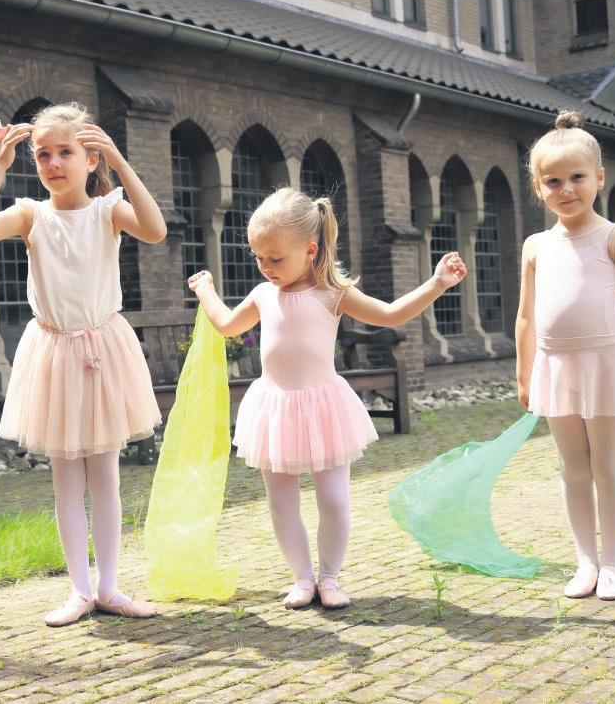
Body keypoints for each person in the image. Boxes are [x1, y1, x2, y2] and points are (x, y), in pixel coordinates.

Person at [188, 187, 467, 609]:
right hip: (275, 409)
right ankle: (302, 579)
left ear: (310, 250)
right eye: (258, 257)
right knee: (282, 503)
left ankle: (330, 577)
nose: (266, 267)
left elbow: (390, 314)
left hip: (323, 409)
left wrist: (437, 283)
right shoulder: (263, 295)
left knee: (333, 500)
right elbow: (227, 325)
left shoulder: (333, 294)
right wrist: (206, 289)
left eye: (275, 258)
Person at [0, 103, 166, 625]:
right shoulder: (31, 214)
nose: (53, 163)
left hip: (103, 351)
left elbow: (155, 230)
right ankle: (79, 590)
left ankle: (110, 587)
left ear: (89, 159)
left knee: (106, 477)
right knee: (66, 482)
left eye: (66, 152)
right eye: (43, 155)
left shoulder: (108, 211)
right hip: (54, 354)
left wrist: (121, 163)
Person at [516, 110, 615, 601]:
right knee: (573, 469)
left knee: (606, 467)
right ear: (538, 188)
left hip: (603, 364)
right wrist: (524, 375)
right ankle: (585, 560)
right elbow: (525, 317)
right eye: (553, 181)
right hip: (555, 367)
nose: (566, 189)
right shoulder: (535, 246)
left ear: (599, 178)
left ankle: (613, 563)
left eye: (577, 177)